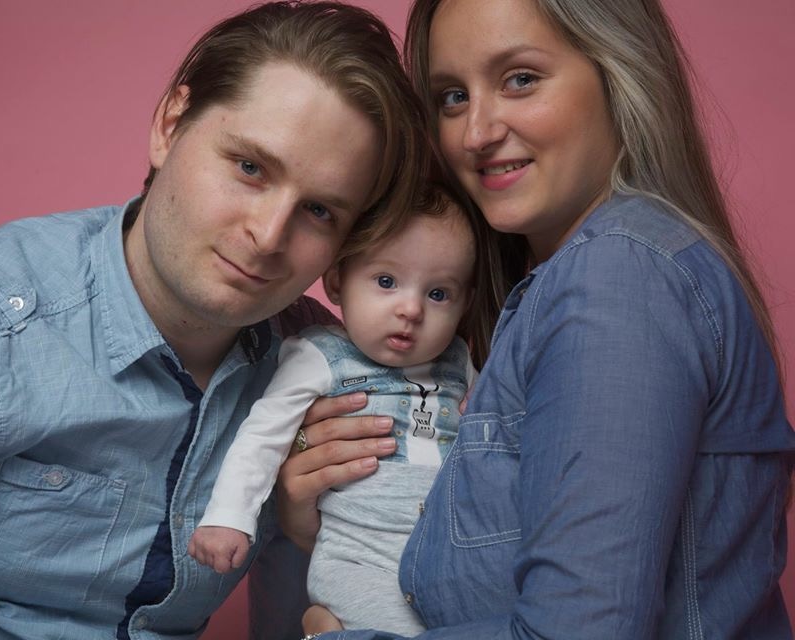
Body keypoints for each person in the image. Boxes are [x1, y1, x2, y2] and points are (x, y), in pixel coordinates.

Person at [0, 3, 432, 639]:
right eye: (250, 167)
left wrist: (307, 526)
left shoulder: (328, 369)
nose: (267, 235)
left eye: (318, 211)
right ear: (170, 125)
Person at [289, 0, 795, 637]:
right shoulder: (576, 281)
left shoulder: (616, 278)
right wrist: (321, 511)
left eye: (520, 79)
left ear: (618, 74)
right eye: (452, 96)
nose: (475, 133)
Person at [189, 186, 478, 635]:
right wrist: (229, 517)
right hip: (361, 556)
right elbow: (263, 435)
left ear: (464, 304)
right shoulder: (321, 354)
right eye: (386, 281)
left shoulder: (459, 361)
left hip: (451, 551)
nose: (411, 309)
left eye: (438, 293)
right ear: (338, 281)